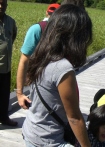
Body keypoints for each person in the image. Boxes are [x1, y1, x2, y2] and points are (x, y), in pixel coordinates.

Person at [22, 4, 92, 147]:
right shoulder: (63, 68)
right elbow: (74, 118)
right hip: (48, 140)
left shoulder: (42, 55)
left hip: (30, 131)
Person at [16, 0, 84, 109]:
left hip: (62, 80)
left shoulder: (67, 31)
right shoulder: (37, 29)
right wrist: (19, 93)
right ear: (47, 13)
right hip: (39, 83)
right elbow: (24, 61)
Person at [0, 0, 17, 126]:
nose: (1, 6)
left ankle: (4, 118)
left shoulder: (11, 21)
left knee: (5, 94)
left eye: (4, 4)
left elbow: (13, 36)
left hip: (6, 66)